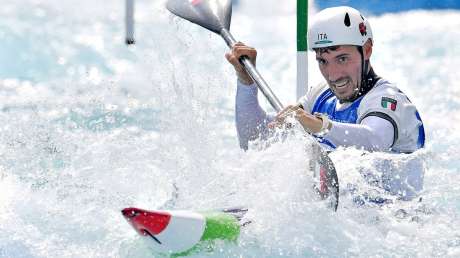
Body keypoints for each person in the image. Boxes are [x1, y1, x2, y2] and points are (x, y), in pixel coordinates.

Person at [225, 6, 425, 201]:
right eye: (323, 61)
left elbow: (375, 140)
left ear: (367, 49)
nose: (333, 74)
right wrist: (246, 82)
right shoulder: (321, 96)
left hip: (398, 226)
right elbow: (255, 141)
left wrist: (320, 126)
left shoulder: (388, 100)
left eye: (342, 58)